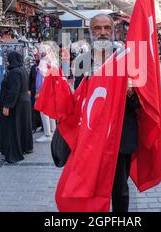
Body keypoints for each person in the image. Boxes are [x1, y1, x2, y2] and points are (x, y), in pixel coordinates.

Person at [74, 14, 140, 212]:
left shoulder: (127, 59)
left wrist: (130, 92)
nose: (102, 32)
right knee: (91, 187)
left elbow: (140, 102)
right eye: (97, 28)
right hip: (91, 137)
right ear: (90, 32)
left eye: (106, 28)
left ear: (113, 31)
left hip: (120, 136)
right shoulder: (82, 61)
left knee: (119, 190)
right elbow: (78, 100)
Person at [0, 51, 34, 164]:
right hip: (24, 102)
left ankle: (14, 153)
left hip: (17, 104)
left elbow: (14, 90)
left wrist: (7, 105)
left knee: (13, 128)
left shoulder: (14, 72)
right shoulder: (22, 69)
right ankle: (25, 147)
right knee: (23, 126)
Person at [35, 43, 58, 143]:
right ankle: (52, 131)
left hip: (44, 91)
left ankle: (47, 133)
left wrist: (38, 92)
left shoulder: (42, 63)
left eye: (39, 51)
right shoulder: (53, 61)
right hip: (52, 89)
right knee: (50, 110)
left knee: (43, 111)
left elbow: (40, 80)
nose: (38, 53)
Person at [29, 52, 43, 133]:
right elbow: (30, 78)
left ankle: (42, 126)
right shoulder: (33, 67)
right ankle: (34, 126)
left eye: (38, 56)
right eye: (36, 56)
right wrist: (29, 89)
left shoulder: (44, 67)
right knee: (33, 108)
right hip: (34, 90)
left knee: (41, 109)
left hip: (41, 91)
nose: (36, 57)